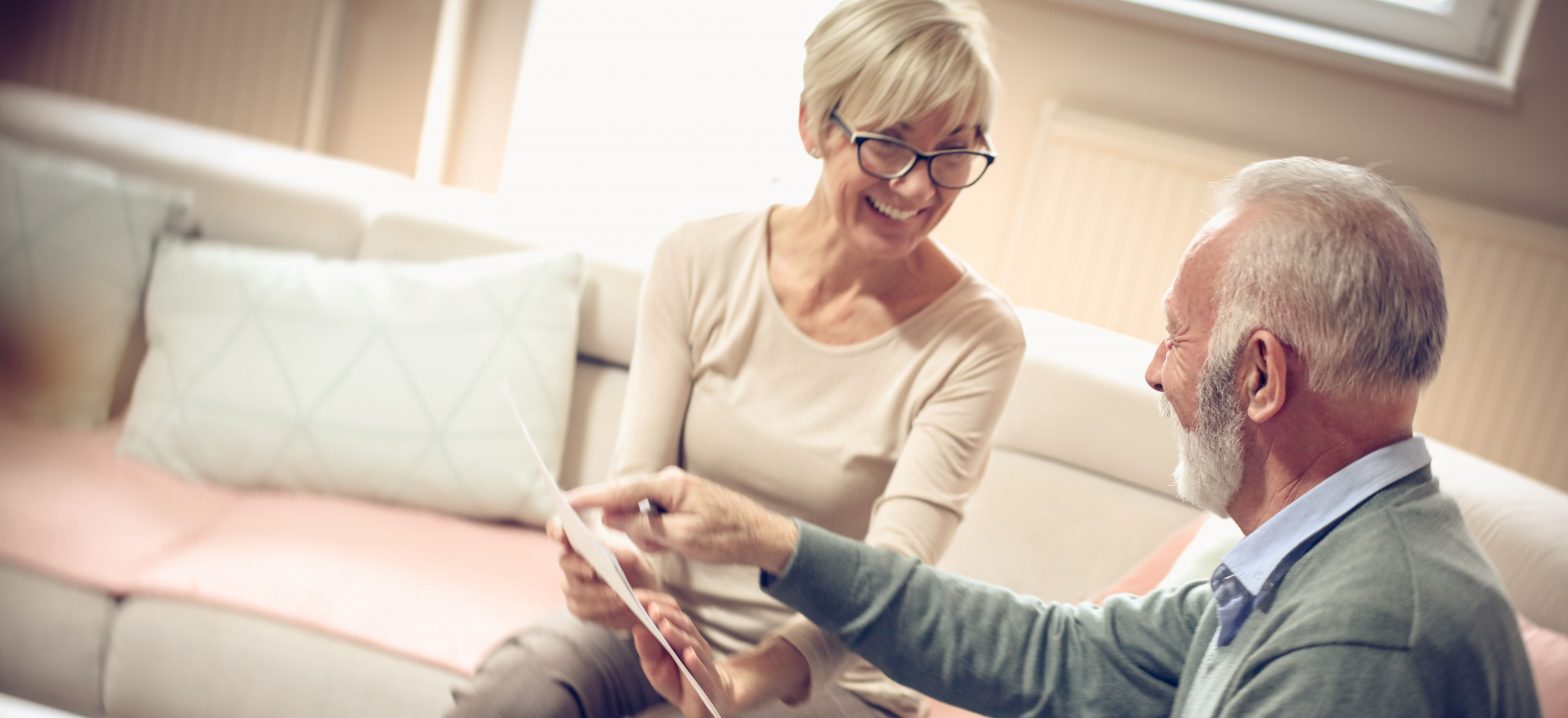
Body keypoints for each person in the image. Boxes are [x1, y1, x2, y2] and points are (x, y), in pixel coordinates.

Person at [575, 157, 1542, 717]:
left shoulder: (1364, 640)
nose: (1154, 370)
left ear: (1258, 376)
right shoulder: (1325, 559)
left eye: (1175, 334)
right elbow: (1056, 657)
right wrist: (774, 541)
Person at [446, 1, 1024, 716]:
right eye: (889, 144)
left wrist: (741, 681)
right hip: (659, 626)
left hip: (836, 672)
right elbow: (636, 490)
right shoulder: (697, 259)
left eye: (955, 151)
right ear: (813, 123)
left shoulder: (979, 339)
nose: (918, 186)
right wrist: (617, 569)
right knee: (518, 692)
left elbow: (893, 583)